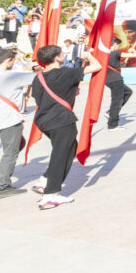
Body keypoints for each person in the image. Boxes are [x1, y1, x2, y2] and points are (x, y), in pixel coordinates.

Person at [30, 44, 102, 209]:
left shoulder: (38, 77)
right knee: (60, 155)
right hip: (61, 120)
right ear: (57, 58)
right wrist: (88, 55)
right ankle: (49, 195)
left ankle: (45, 180)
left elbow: (41, 96)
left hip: (44, 120)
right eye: (62, 54)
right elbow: (97, 66)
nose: (64, 56)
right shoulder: (65, 72)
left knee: (69, 149)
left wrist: (69, 90)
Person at [0, 48, 34, 199]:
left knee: (18, 144)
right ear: (8, 61)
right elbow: (40, 78)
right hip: (9, 119)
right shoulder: (11, 76)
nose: (15, 62)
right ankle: (2, 186)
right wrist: (35, 67)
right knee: (11, 152)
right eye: (14, 60)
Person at [105, 37, 135, 130]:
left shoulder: (105, 54)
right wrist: (132, 50)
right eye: (118, 45)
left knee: (128, 92)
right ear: (115, 44)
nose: (119, 47)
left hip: (109, 79)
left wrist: (121, 65)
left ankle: (111, 112)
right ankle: (112, 124)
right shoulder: (115, 53)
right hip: (115, 80)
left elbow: (112, 65)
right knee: (116, 102)